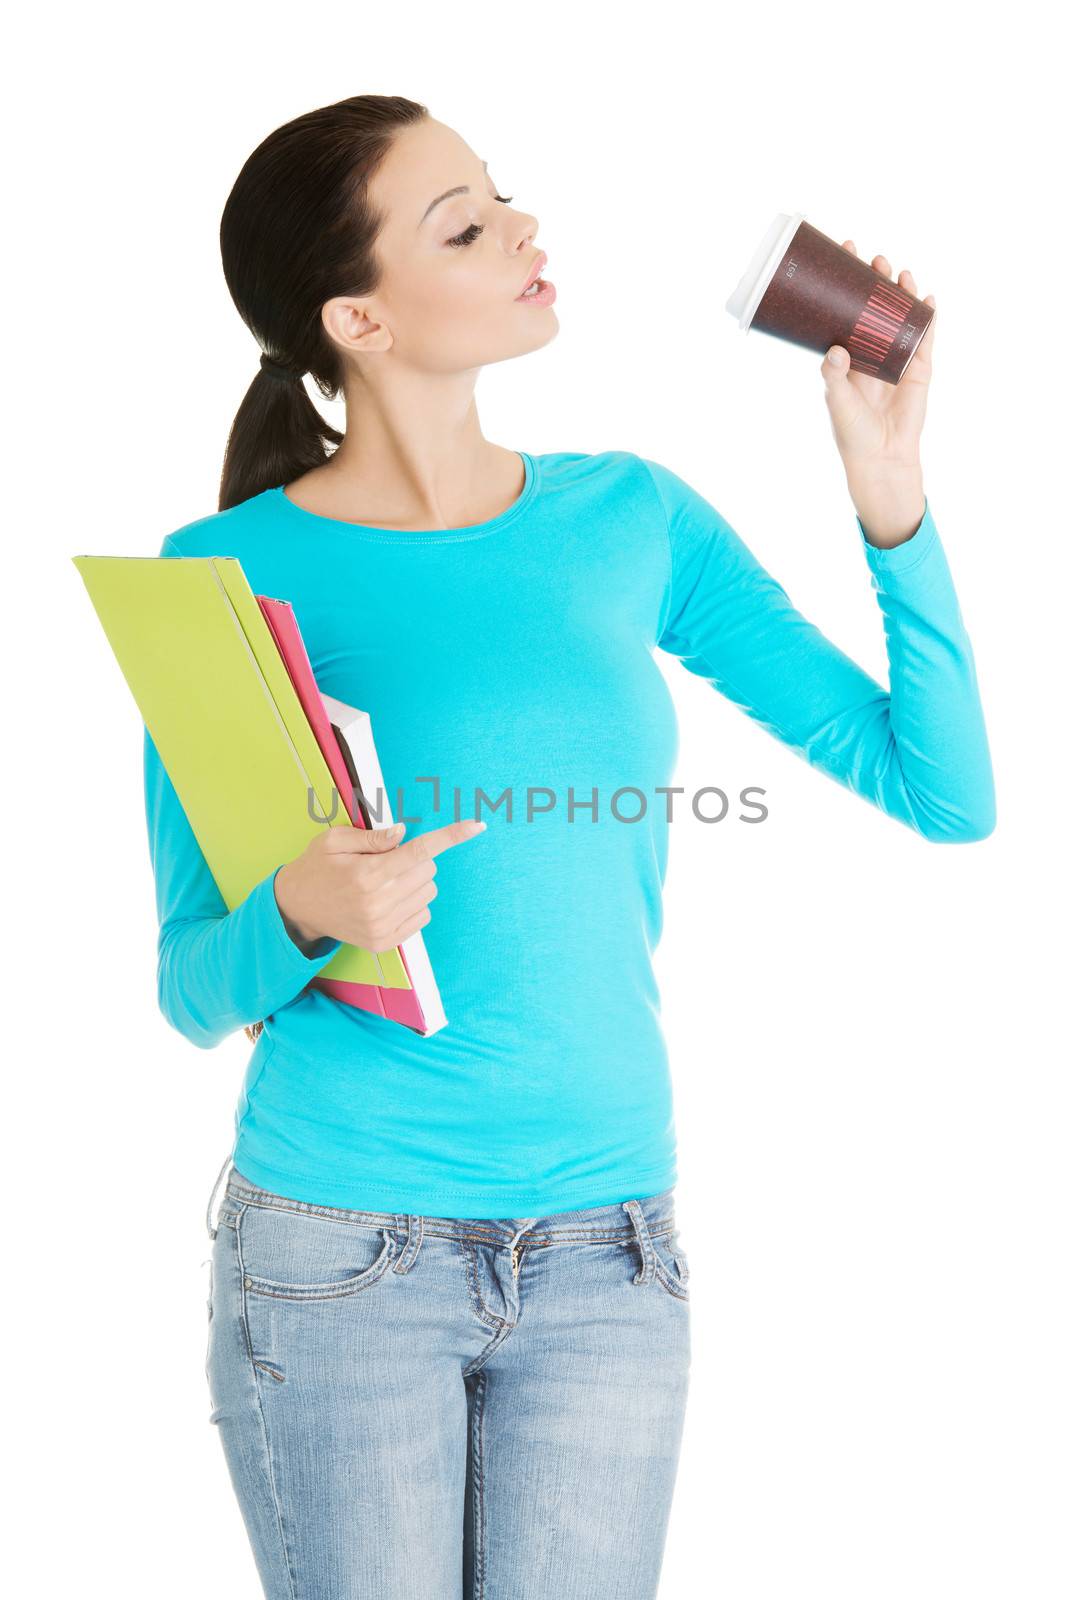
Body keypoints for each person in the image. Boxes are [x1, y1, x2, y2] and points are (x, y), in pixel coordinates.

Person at [143, 95, 996, 1599]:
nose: (524, 231)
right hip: (344, 1258)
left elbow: (942, 790)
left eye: (503, 198)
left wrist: (889, 491)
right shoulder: (227, 575)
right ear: (361, 318)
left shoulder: (631, 517)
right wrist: (298, 903)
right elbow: (195, 987)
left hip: (612, 1260)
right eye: (462, 226)